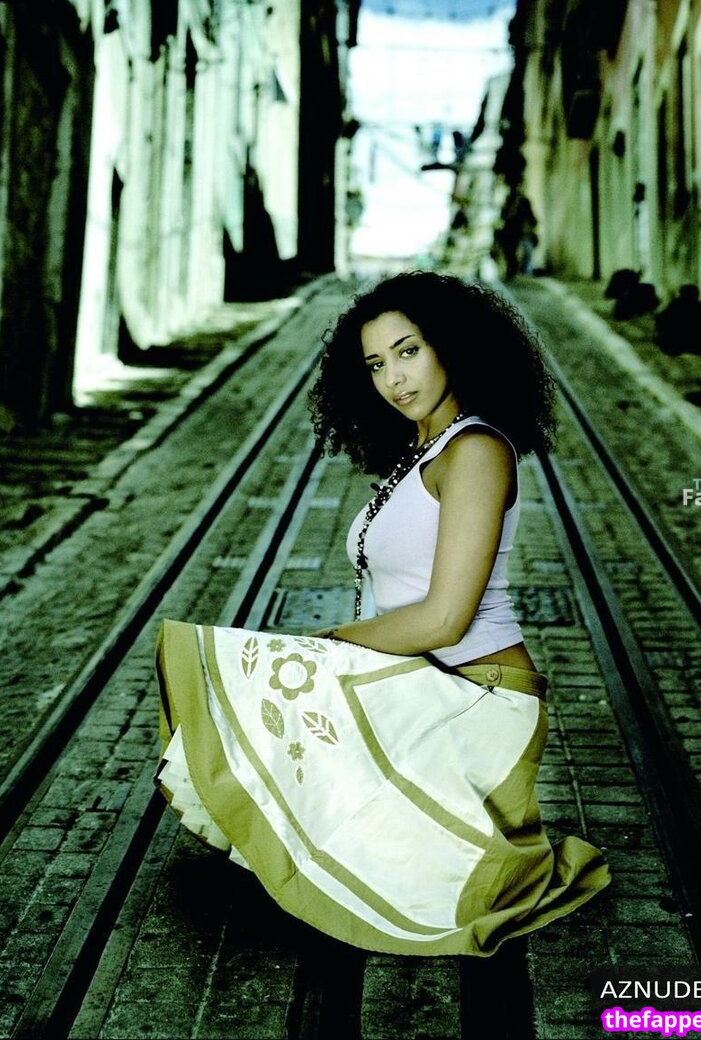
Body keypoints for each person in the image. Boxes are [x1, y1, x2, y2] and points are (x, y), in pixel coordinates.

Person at [155, 272, 611, 957]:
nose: (394, 379)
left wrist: (322, 646)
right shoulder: (422, 449)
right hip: (419, 683)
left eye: (409, 351)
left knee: (252, 676)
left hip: (476, 698)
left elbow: (445, 619)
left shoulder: (476, 451)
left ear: (452, 347)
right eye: (375, 364)